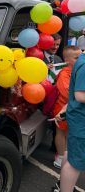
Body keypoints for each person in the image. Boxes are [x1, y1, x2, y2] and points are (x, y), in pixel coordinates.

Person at [52, 49, 85, 192]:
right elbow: (79, 95)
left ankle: (62, 185)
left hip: (78, 117)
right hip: (81, 120)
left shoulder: (81, 61)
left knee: (71, 154)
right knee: (75, 163)